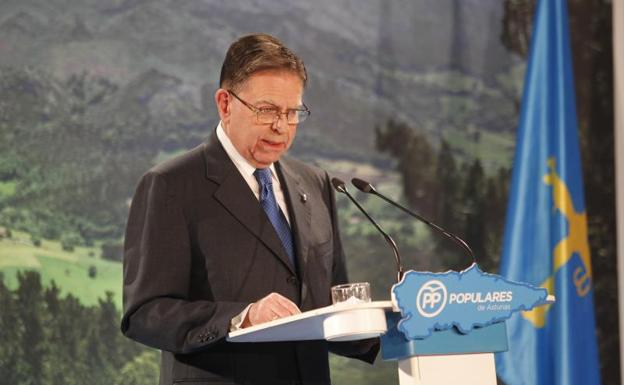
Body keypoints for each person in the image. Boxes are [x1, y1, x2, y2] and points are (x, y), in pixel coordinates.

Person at [120, 34, 378, 385]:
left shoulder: (315, 183)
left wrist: (402, 326)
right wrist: (241, 317)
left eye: (292, 113)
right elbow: (145, 313)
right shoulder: (171, 185)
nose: (281, 126)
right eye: (267, 110)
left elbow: (333, 306)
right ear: (225, 104)